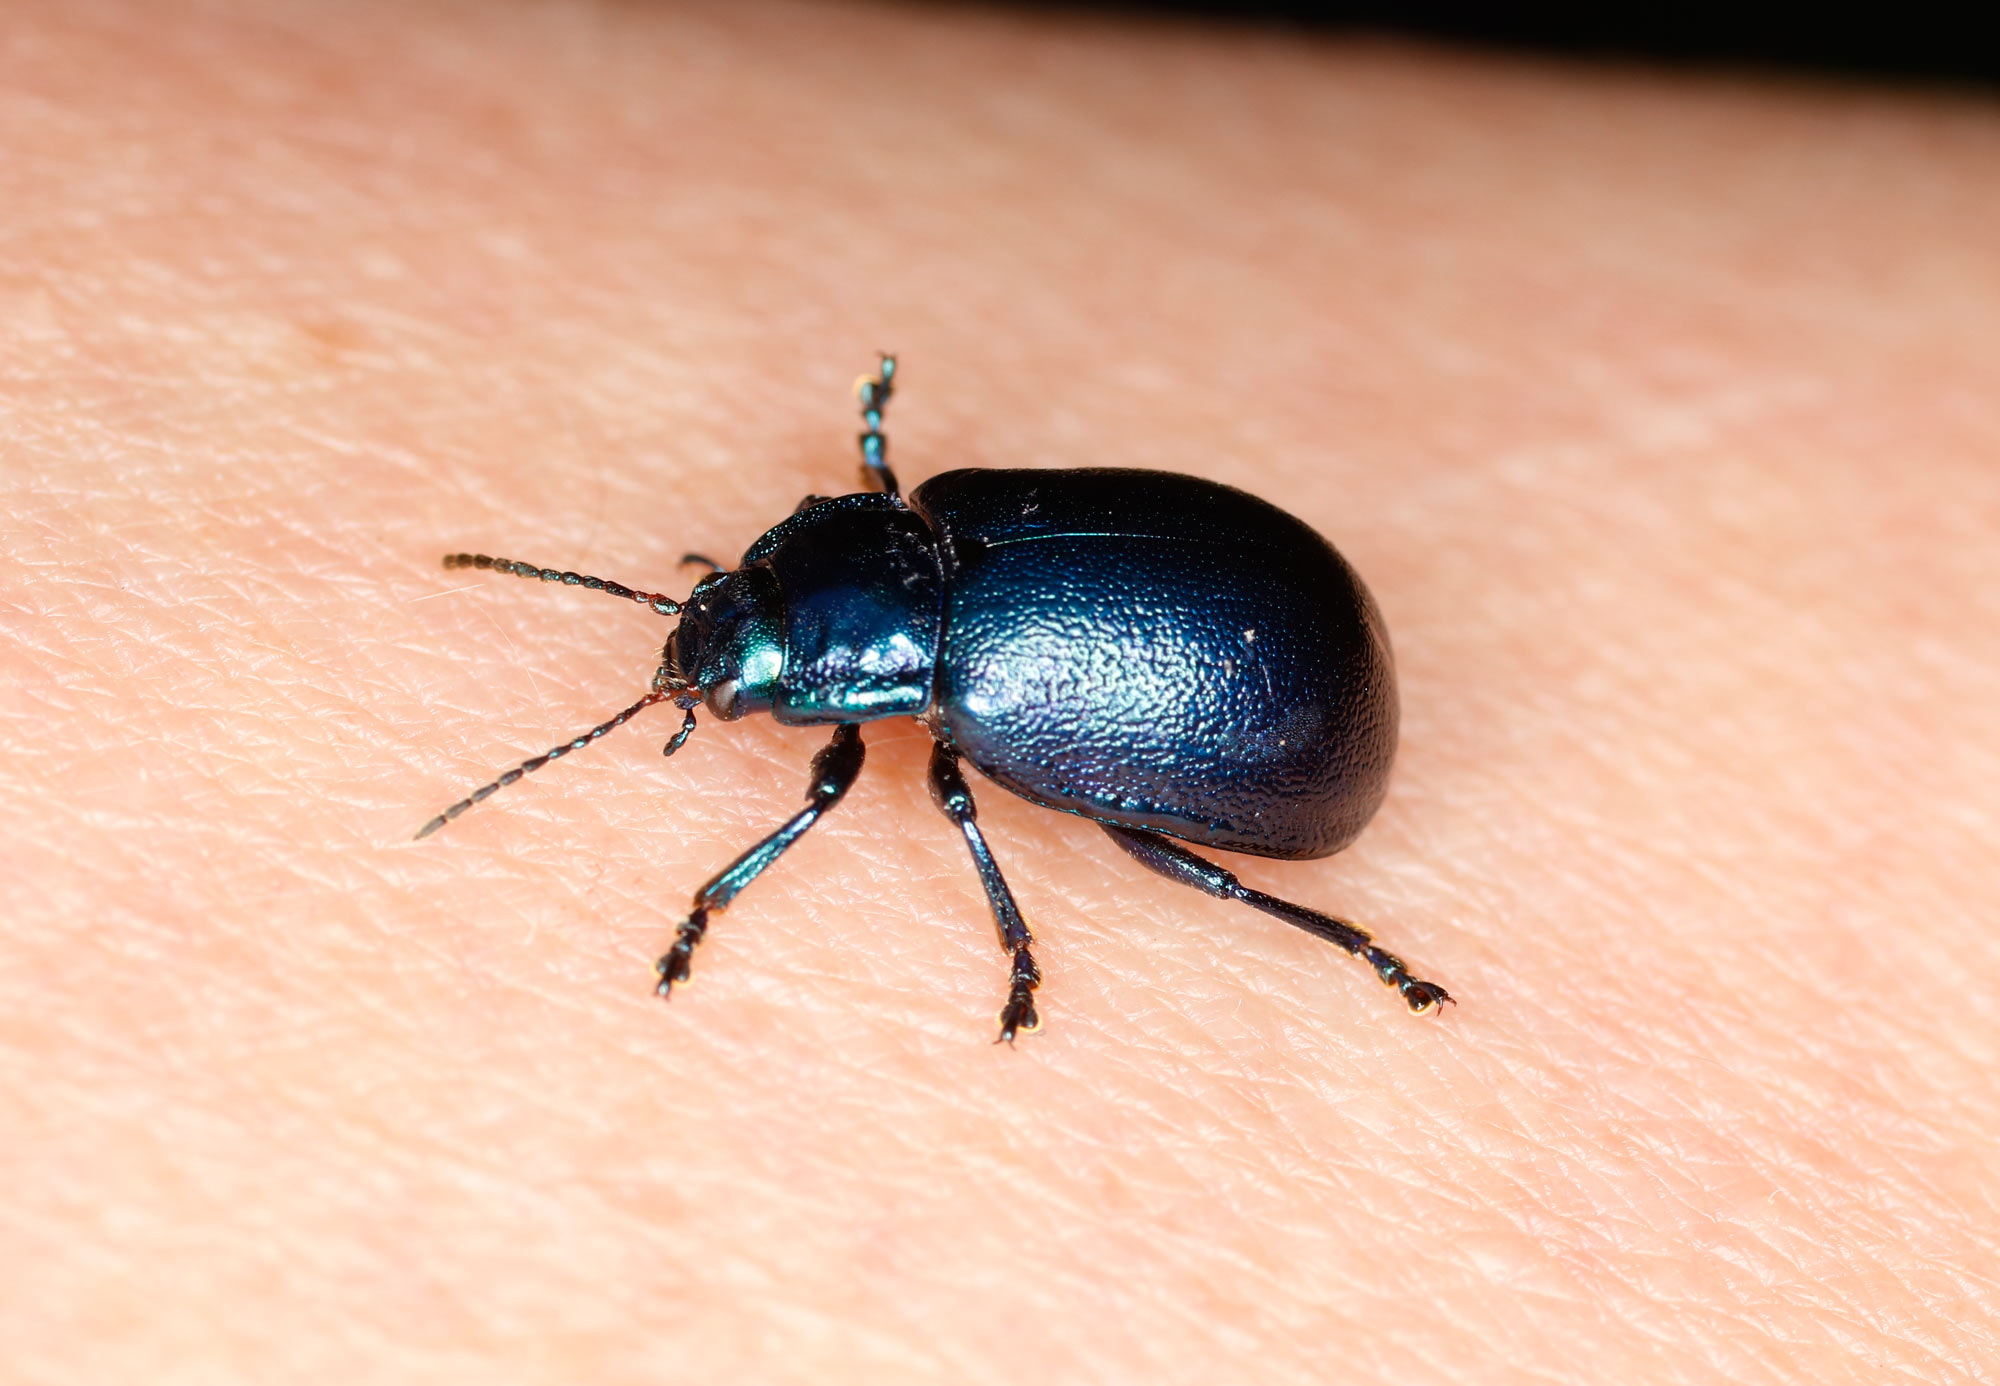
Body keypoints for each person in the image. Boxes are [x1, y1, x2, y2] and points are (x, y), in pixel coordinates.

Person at [6, 1, 1995, 1379]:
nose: (725, 668)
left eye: (741, 654)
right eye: (733, 636)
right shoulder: (919, 516)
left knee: (1182, 879)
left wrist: (721, 902)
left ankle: (1359, 953)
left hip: (1277, 715)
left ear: (842, 630)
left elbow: (826, 785)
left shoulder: (944, 690)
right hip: (1244, 601)